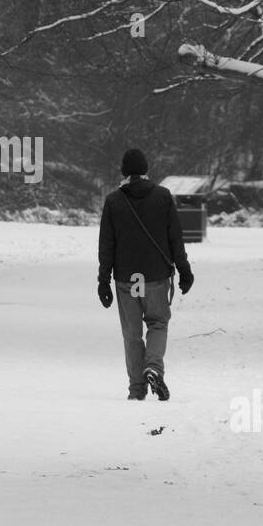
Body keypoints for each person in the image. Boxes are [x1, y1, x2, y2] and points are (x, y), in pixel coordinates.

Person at [97, 149, 194, 400]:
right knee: (158, 324)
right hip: (156, 277)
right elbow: (175, 239)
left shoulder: (113, 201)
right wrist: (184, 270)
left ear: (123, 172)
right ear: (146, 169)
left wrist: (103, 281)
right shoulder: (163, 197)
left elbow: (107, 245)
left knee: (131, 334)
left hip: (125, 279)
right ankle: (153, 366)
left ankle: (136, 389)